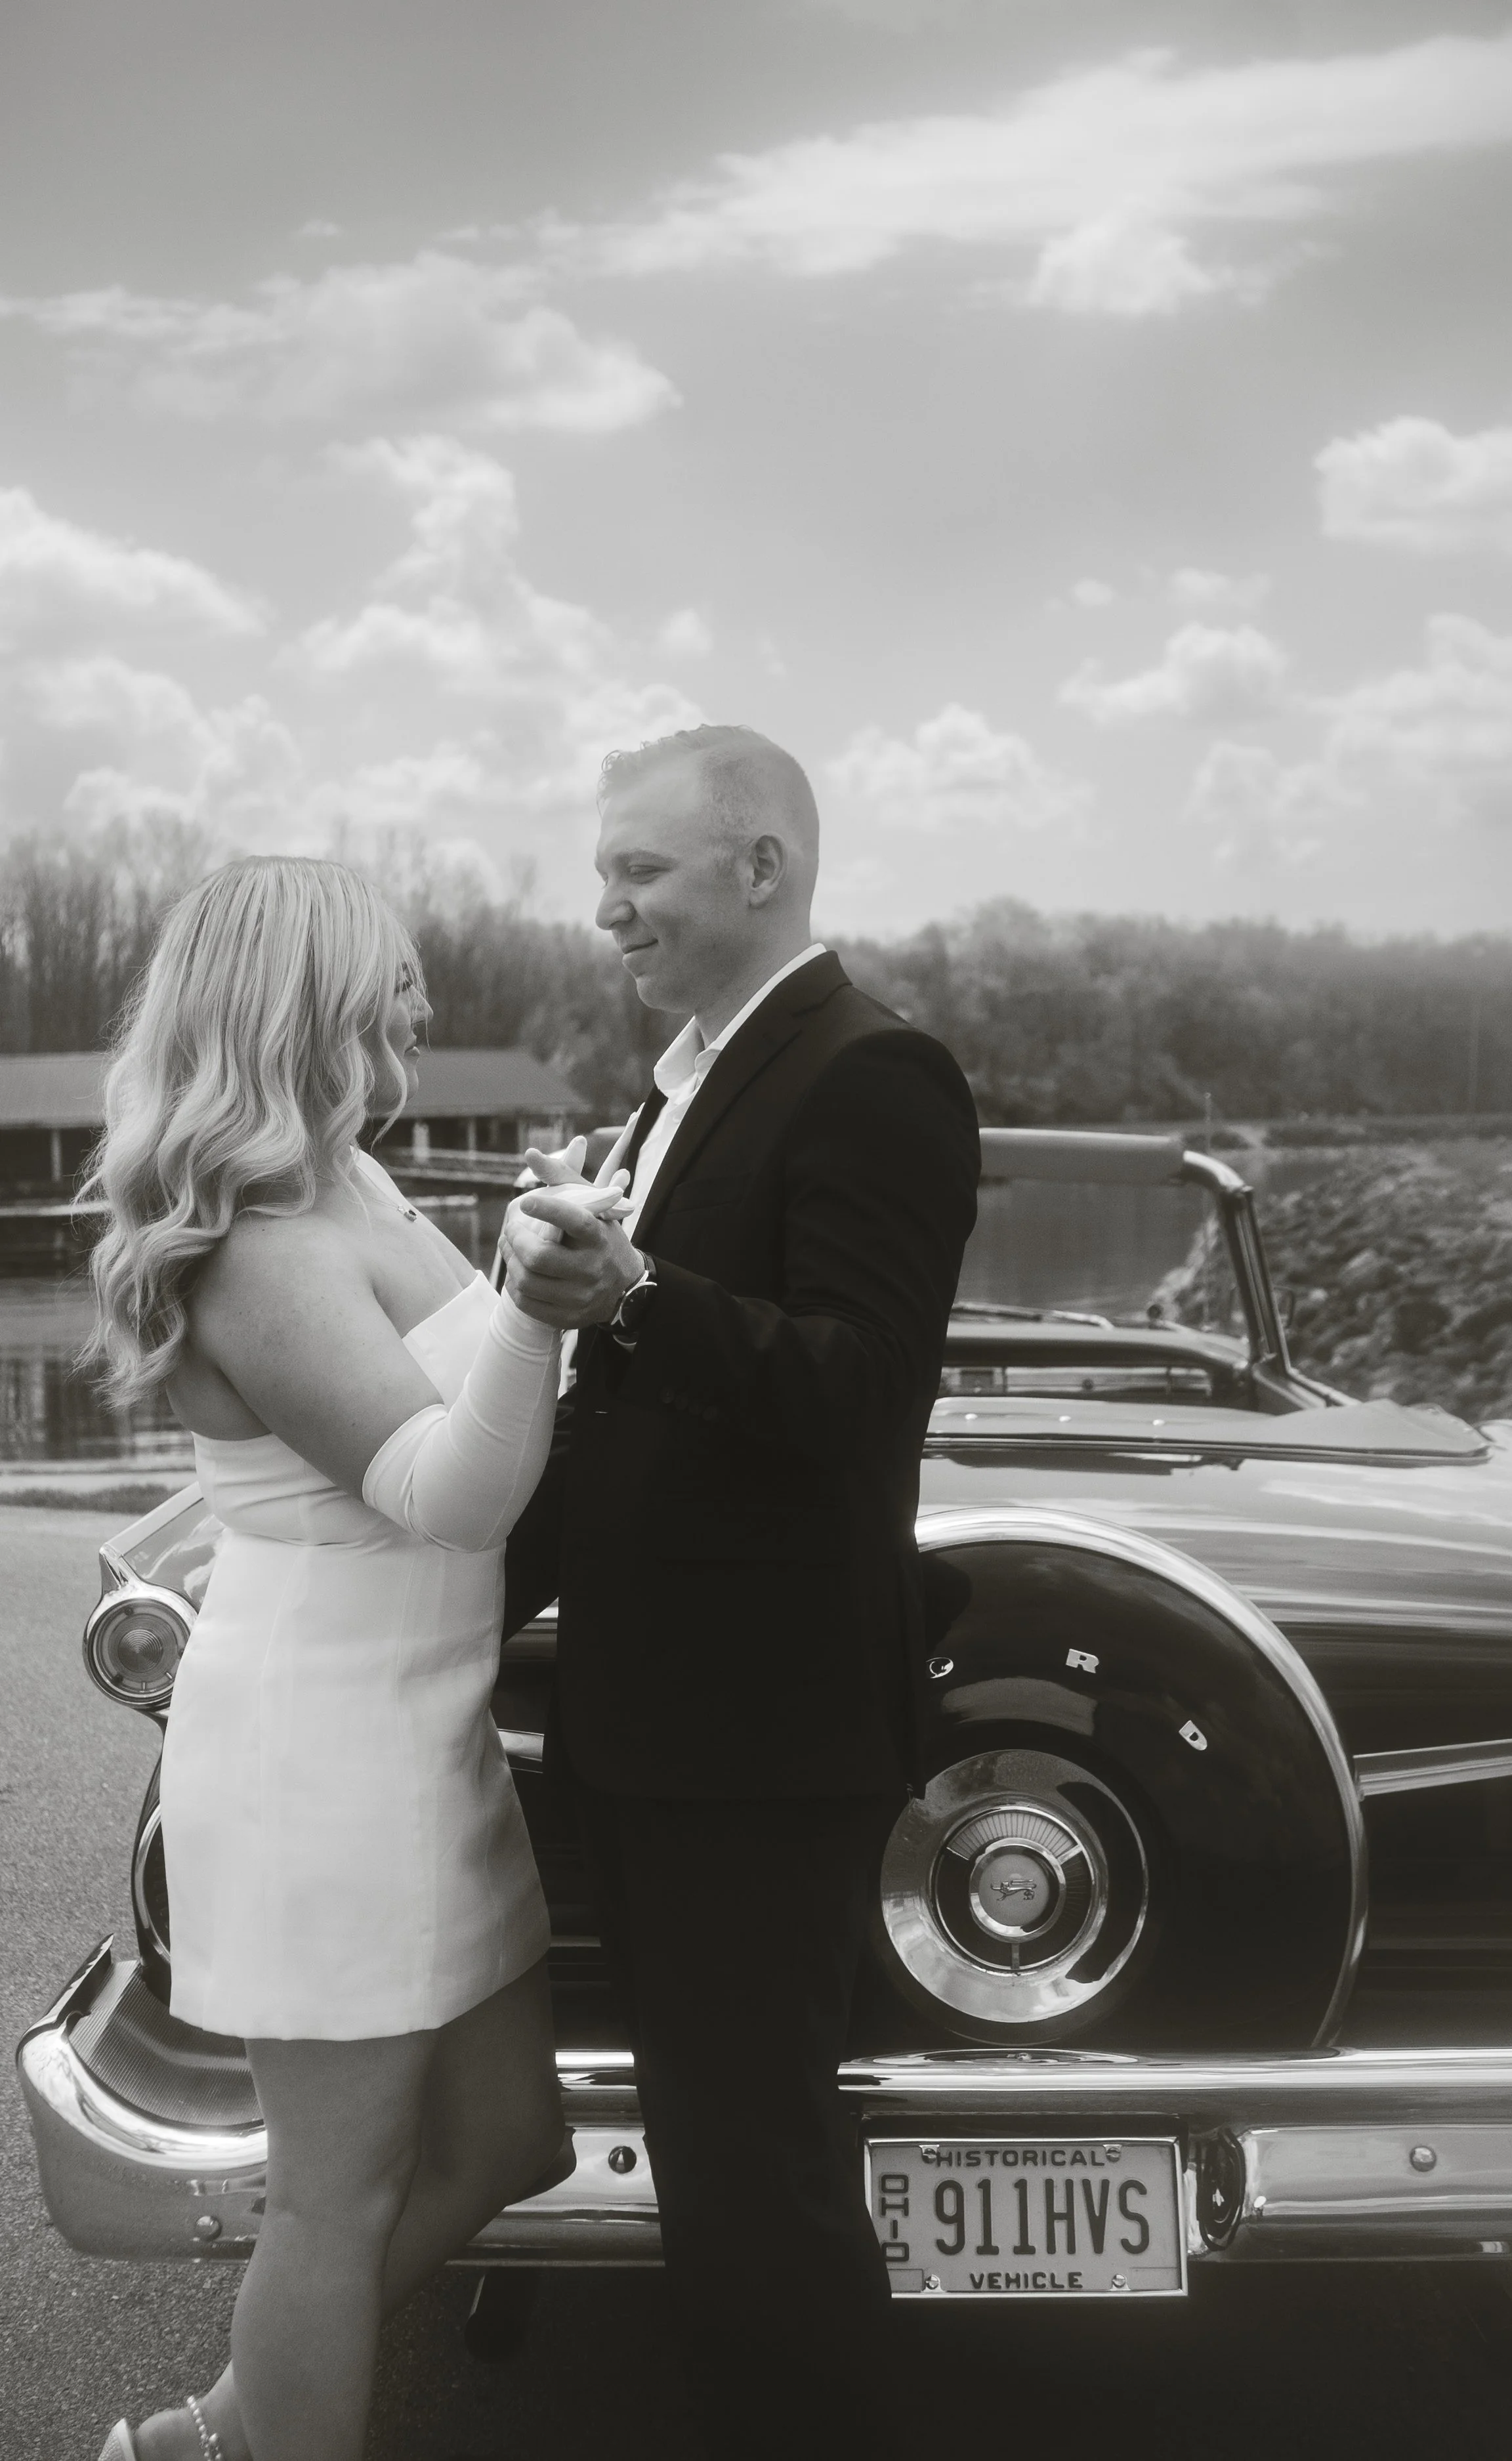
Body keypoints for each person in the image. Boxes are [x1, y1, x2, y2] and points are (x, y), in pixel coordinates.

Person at [89, 857, 626, 2461]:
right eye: (380, 1003)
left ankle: (217, 2436)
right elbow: (449, 1494)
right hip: (320, 1758)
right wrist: (535, 1307)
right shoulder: (257, 1243)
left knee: (511, 2138)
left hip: (422, 1739)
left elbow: (476, 1397)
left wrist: (571, 1247)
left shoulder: (353, 1182)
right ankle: (235, 2440)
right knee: (334, 2202)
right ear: (293, 1004)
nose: (408, 1039)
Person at [501, 723, 981, 2458]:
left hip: (754, 1737)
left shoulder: (872, 1069)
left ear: (759, 868)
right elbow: (627, 1414)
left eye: (639, 870)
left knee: (756, 2182)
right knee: (713, 2169)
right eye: (604, 872)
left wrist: (632, 1291)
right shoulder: (684, 1075)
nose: (604, 908)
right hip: (657, 1723)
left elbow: (862, 1390)